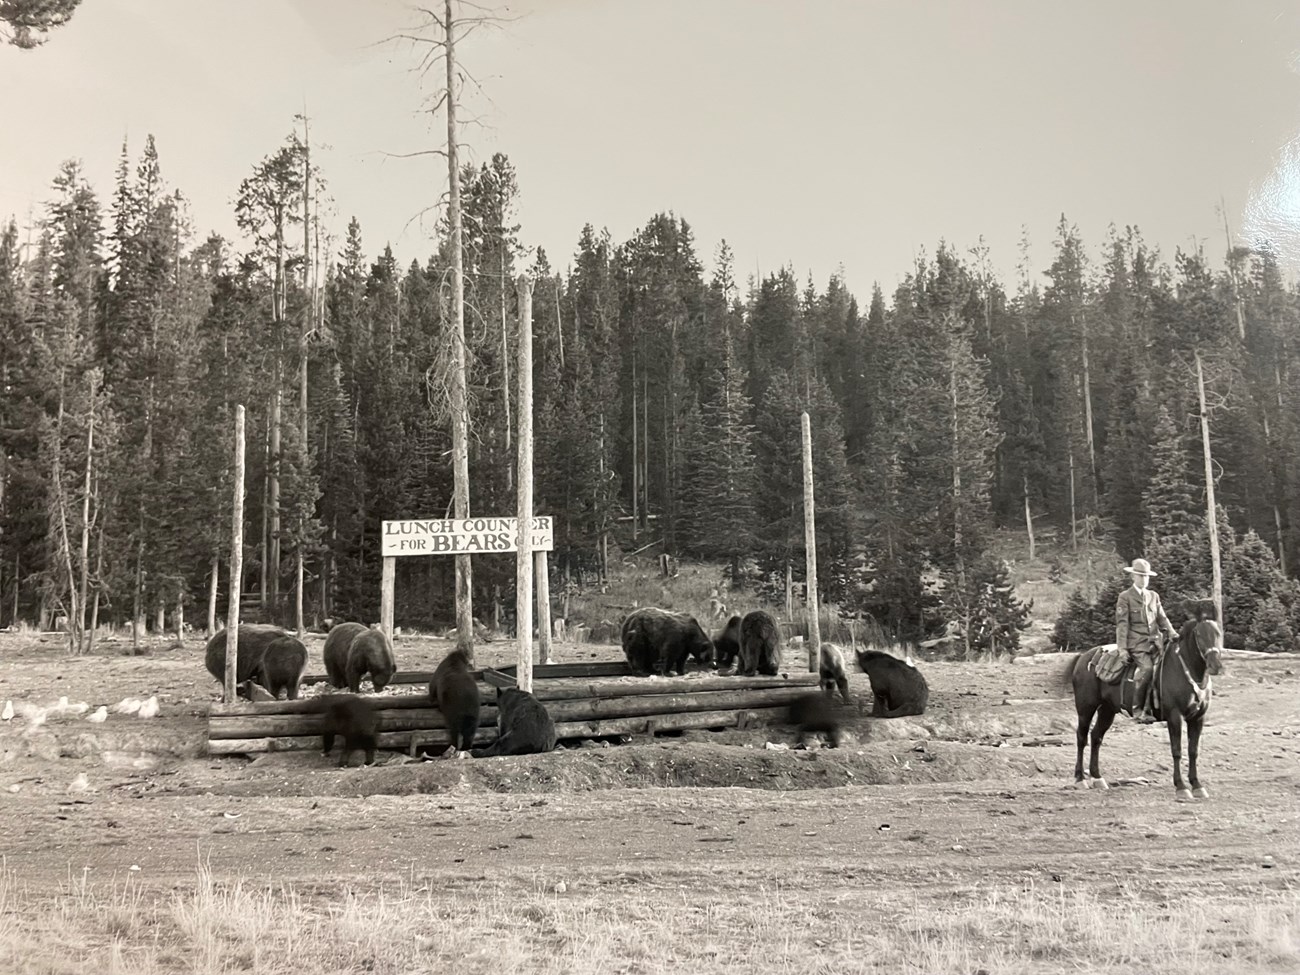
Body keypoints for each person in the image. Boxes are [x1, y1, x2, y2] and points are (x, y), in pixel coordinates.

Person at [1115, 557, 1178, 723]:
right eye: (1140, 576)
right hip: (1137, 644)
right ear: (1133, 577)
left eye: (1146, 576)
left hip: (1156, 643)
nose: (1144, 579)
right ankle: (1138, 710)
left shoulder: (1153, 596)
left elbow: (1162, 618)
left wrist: (1172, 633)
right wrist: (1122, 649)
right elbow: (1122, 625)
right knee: (1147, 669)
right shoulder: (1125, 597)